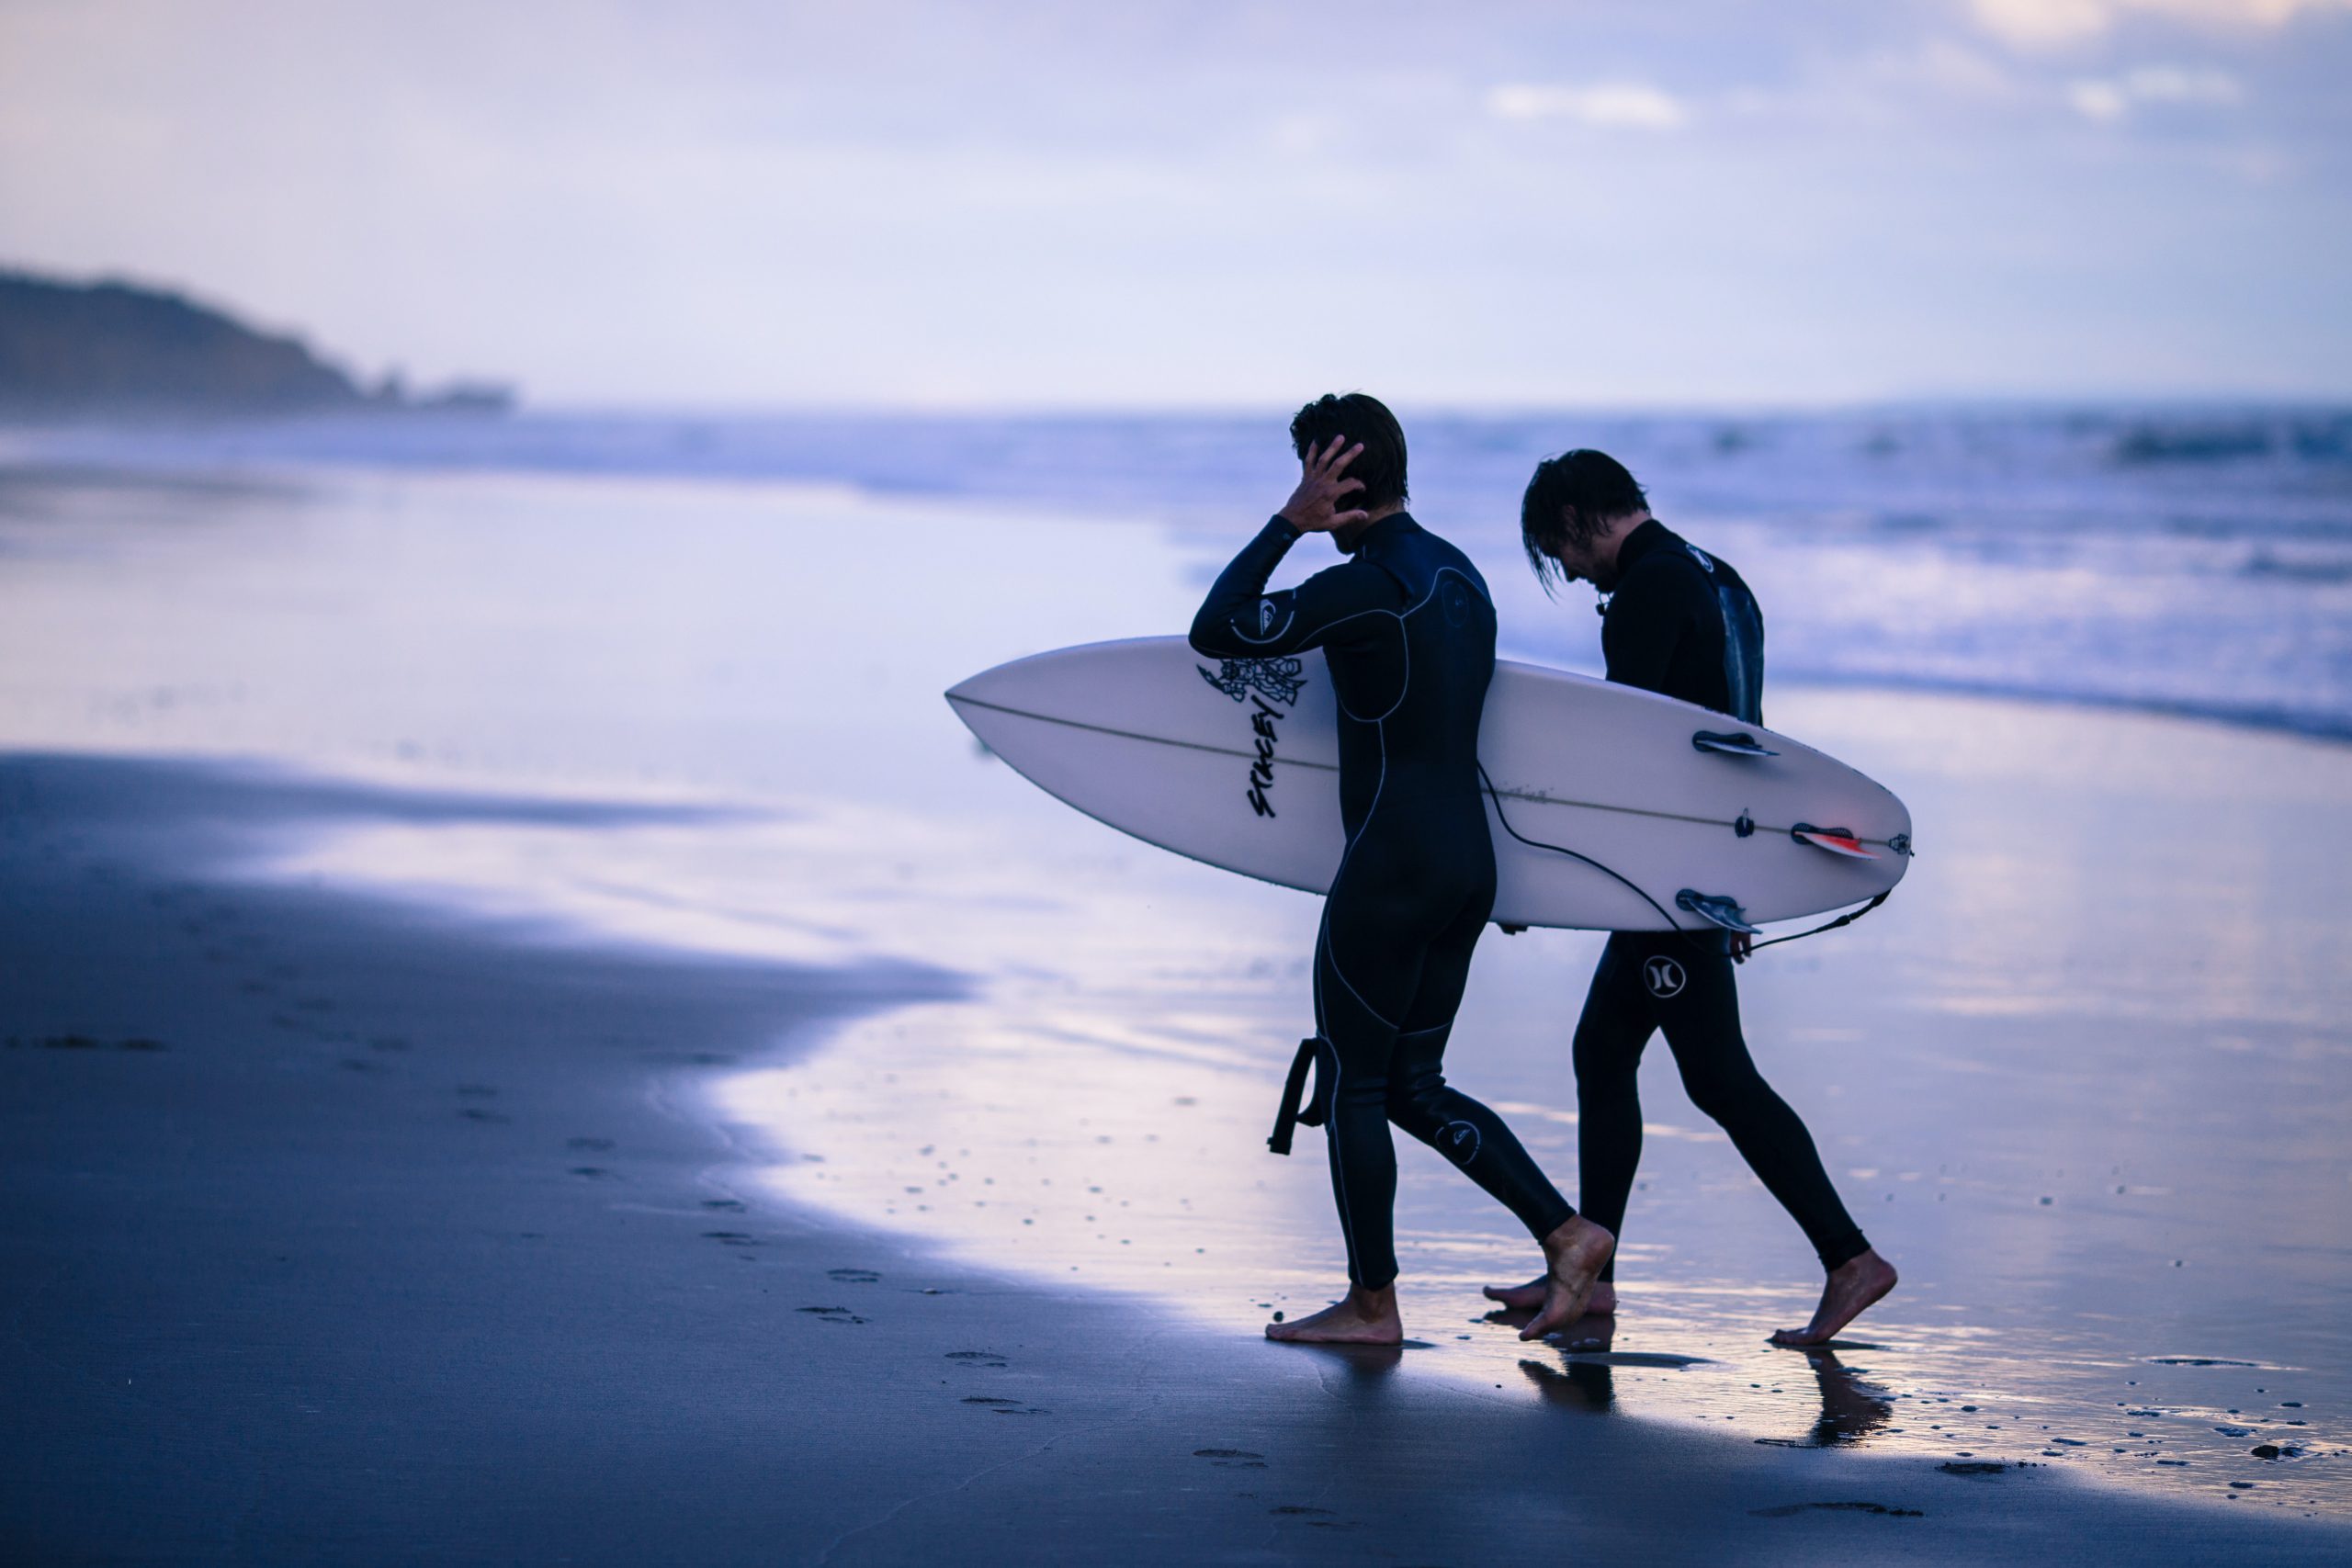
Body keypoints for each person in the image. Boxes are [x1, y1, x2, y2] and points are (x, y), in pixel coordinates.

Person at [1189, 394, 1614, 1346]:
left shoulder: (1369, 583)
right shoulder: (1460, 577)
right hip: (1467, 862)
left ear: (1332, 476)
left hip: (1390, 864)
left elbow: (1217, 630)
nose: (1301, 489)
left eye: (1308, 472)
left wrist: (1285, 527)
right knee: (1415, 1084)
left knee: (1356, 1084)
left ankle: (1371, 1305)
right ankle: (1568, 1231)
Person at [1484, 449, 1897, 1348]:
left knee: (1717, 1077)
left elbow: (1623, 759)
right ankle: (1588, 1274)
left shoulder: (1645, 593)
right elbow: (1742, 735)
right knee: (1602, 1053)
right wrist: (1742, 879)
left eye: (1558, 553)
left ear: (1575, 519)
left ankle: (1848, 1257)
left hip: (1666, 881)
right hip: (1702, 870)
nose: (1568, 573)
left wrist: (1535, 877)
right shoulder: (1718, 578)